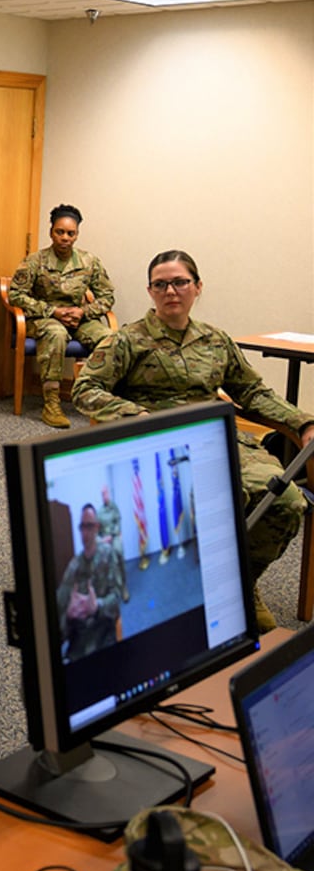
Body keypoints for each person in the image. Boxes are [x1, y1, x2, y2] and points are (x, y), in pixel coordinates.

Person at [74, 249, 314, 632]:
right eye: (160, 284)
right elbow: (86, 388)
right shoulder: (127, 341)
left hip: (217, 436)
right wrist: (135, 415)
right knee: (204, 496)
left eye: (180, 282)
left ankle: (240, 584)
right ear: (150, 291)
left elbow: (252, 392)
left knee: (285, 501)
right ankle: (184, 589)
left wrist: (302, 422)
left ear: (197, 287)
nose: (171, 290)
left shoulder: (215, 340)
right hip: (154, 440)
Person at [7, 204, 116, 428]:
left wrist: (83, 312)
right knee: (55, 333)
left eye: (70, 233)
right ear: (51, 232)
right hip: (44, 319)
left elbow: (106, 296)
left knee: (109, 337)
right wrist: (52, 311)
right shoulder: (35, 261)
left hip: (79, 318)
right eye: (60, 232)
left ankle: (100, 397)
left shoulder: (89, 261)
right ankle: (52, 403)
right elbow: (16, 295)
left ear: (77, 235)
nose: (65, 238)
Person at [58, 504, 126, 660]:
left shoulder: (108, 555)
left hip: (102, 640)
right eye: (82, 527)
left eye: (89, 526)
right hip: (78, 648)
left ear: (97, 528)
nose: (85, 532)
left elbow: (117, 599)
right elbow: (59, 627)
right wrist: (68, 615)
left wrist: (97, 607)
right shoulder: (73, 567)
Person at [97, 486, 129, 602]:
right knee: (112, 559)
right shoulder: (99, 512)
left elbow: (118, 520)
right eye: (102, 494)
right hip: (106, 540)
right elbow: (97, 532)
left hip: (115, 536)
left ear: (108, 494)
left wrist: (116, 533)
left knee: (119, 552)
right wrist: (103, 539)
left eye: (105, 493)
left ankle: (124, 584)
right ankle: (120, 588)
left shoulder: (113, 506)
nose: (104, 496)